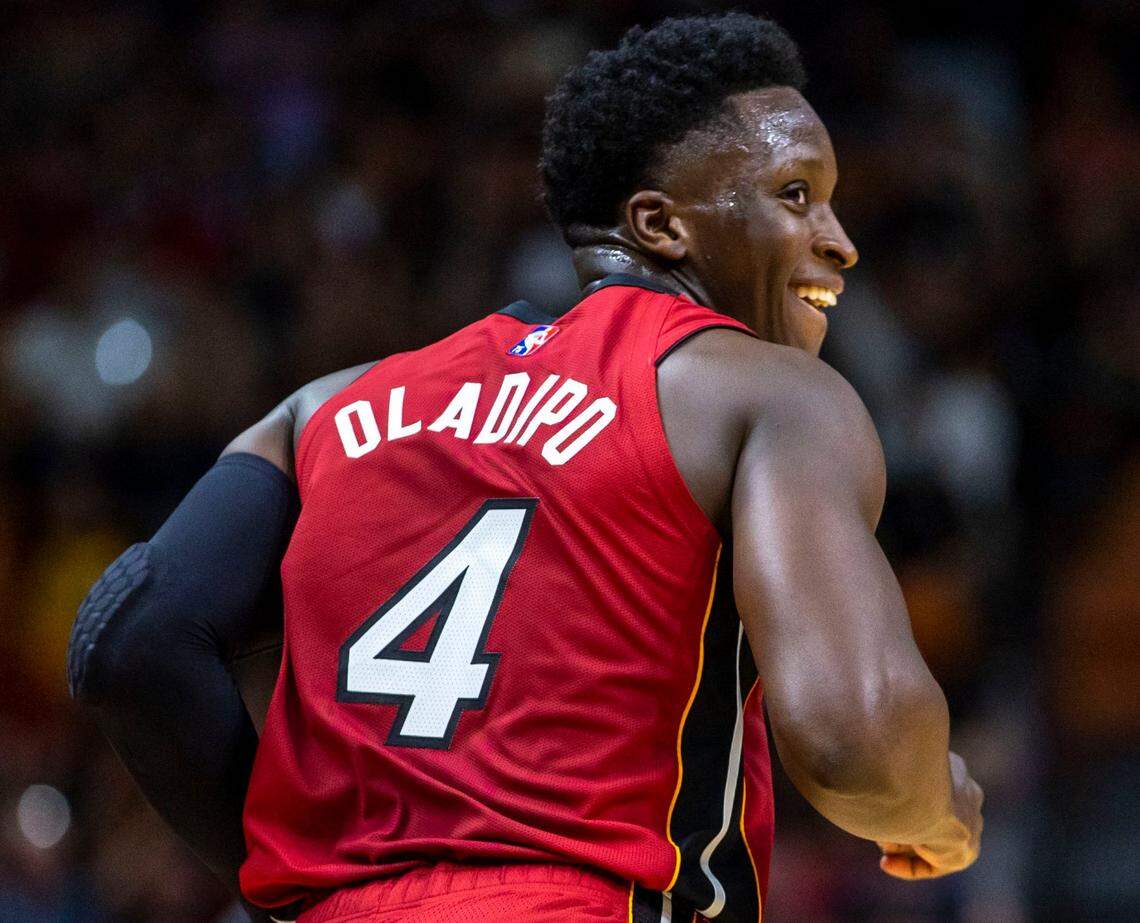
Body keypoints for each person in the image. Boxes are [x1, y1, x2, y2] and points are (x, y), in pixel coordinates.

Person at [68, 13, 983, 923]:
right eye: (796, 194)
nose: (839, 239)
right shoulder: (766, 392)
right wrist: (937, 808)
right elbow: (856, 739)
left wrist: (295, 879)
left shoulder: (323, 408)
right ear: (659, 224)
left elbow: (127, 638)